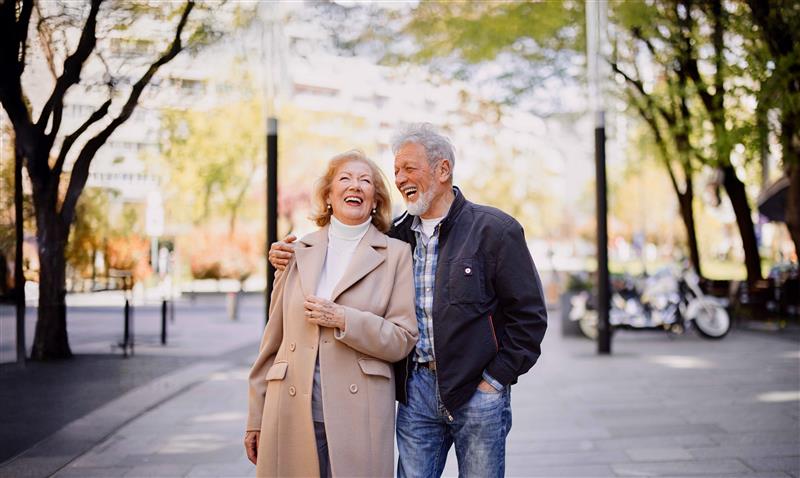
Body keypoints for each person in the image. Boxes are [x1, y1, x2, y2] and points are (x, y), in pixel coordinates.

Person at [270, 124, 548, 477]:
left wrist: (494, 380)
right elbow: (342, 242)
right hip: (416, 393)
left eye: (409, 168)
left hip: (478, 392)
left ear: (443, 170)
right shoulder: (395, 237)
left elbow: (530, 316)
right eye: (397, 170)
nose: (400, 179)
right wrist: (289, 255)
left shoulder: (494, 229)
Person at [245, 150, 418, 478]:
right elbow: (272, 342)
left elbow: (402, 338)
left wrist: (343, 319)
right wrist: (256, 416)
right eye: (345, 178)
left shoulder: (396, 254)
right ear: (328, 195)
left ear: (375, 200)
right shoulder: (295, 252)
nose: (355, 186)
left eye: (365, 181)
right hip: (291, 408)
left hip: (360, 413)